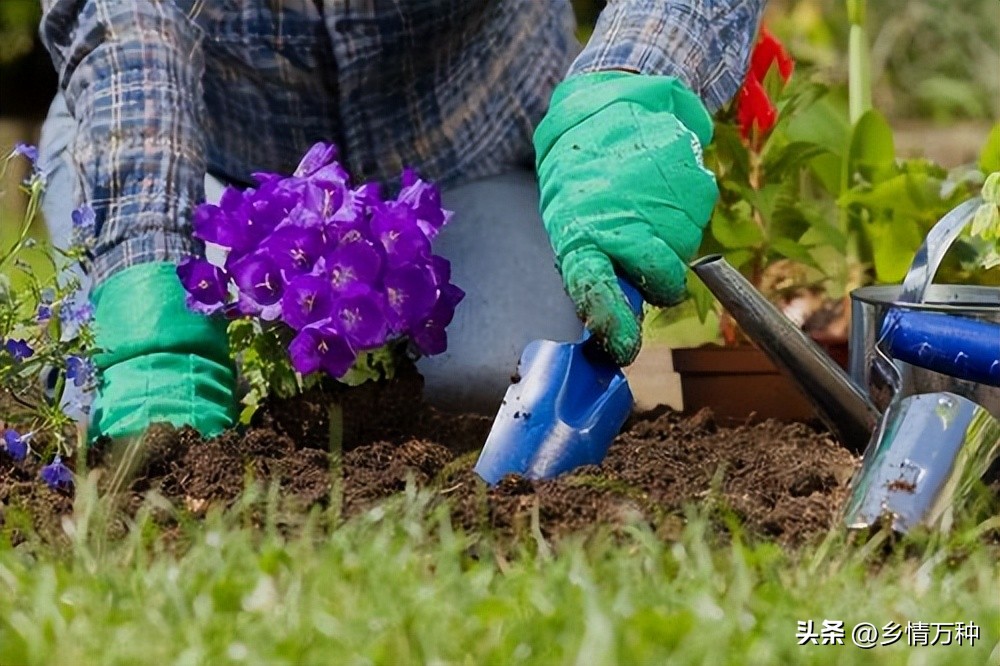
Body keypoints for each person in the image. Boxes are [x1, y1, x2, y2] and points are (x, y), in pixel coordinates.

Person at [37, 0, 765, 440]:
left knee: (490, 382)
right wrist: (147, 267)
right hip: (216, 164)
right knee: (121, 396)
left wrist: (629, 79)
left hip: (472, 146)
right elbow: (126, 23)